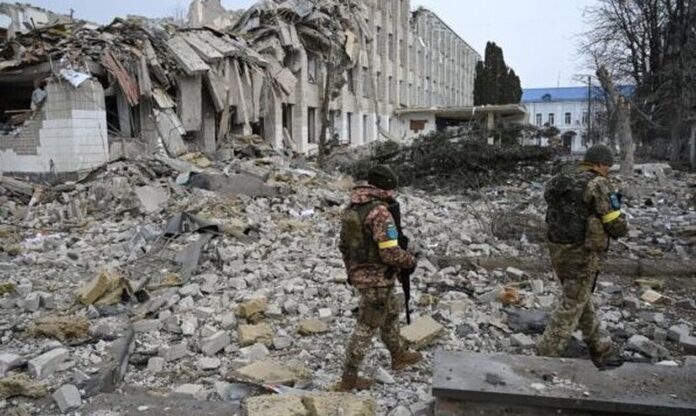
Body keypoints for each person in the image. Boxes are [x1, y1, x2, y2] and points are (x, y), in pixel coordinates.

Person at [537, 144, 629, 370]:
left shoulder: (561, 178)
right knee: (572, 303)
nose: (608, 171)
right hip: (582, 252)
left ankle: (599, 345)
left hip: (557, 249)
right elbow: (614, 223)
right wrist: (621, 228)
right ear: (600, 164)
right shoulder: (597, 183)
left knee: (579, 296)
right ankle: (544, 355)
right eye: (607, 167)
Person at [334, 165, 422, 391]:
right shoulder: (380, 212)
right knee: (367, 326)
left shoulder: (352, 208)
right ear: (386, 188)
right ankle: (349, 377)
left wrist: (351, 272)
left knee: (390, 315)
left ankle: (398, 355)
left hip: (364, 276)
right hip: (377, 280)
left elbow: (344, 246)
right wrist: (409, 261)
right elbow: (389, 252)